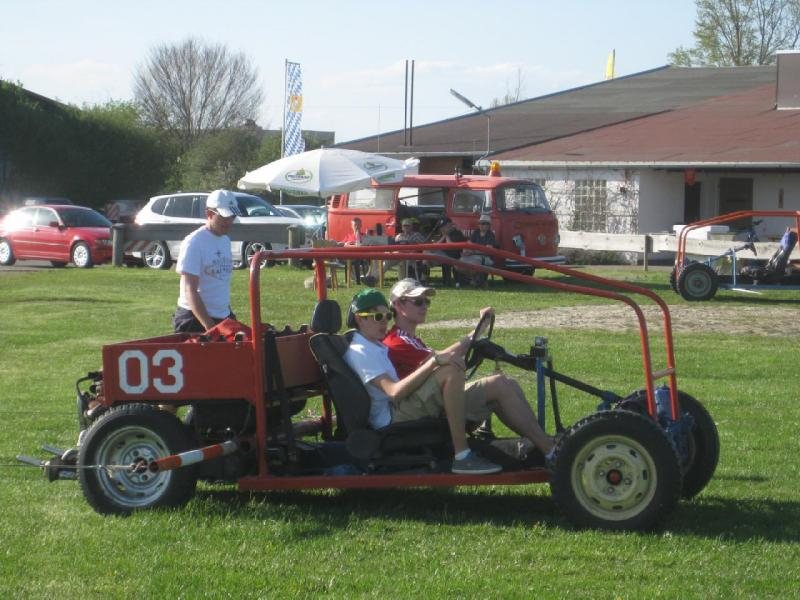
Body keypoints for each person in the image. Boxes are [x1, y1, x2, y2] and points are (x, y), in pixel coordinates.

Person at [383, 278, 555, 459]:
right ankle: (550, 450)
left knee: (509, 384)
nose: (424, 306)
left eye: (427, 301)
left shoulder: (411, 339)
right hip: (422, 408)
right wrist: (478, 331)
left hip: (433, 399)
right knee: (499, 384)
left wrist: (477, 333)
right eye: (418, 301)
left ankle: (541, 444)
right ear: (398, 305)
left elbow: (444, 357)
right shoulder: (397, 341)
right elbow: (444, 357)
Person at [343, 288, 503, 474]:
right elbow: (393, 392)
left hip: (398, 408)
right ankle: (462, 456)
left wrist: (439, 359)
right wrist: (435, 362)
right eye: (378, 317)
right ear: (360, 319)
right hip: (391, 417)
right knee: (451, 372)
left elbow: (433, 360)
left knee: (499, 383)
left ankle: (536, 449)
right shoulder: (361, 351)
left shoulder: (374, 346)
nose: (385, 321)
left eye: (387, 316)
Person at [172, 189, 240, 333]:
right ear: (209, 213)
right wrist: (210, 327)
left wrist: (227, 315)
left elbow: (220, 283)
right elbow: (190, 290)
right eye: (224, 216)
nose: (229, 221)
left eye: (232, 216)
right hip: (194, 319)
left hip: (222, 316)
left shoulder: (225, 240)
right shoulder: (194, 242)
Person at [460, 214, 499, 286]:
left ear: (488, 225)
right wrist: (465, 252)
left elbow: (487, 251)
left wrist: (472, 252)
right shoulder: (476, 232)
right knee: (459, 264)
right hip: (474, 255)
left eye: (484, 223)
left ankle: (477, 280)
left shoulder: (490, 235)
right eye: (480, 223)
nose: (481, 225)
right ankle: (475, 279)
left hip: (486, 258)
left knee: (473, 262)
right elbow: (469, 244)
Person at [431, 218, 466, 287]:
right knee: (429, 255)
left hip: (456, 255)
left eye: (444, 226)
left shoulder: (457, 233)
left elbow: (451, 247)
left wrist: (446, 235)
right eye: (441, 227)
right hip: (444, 256)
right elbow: (434, 247)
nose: (442, 229)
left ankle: (454, 282)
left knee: (446, 260)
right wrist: (444, 236)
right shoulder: (442, 234)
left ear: (450, 225)